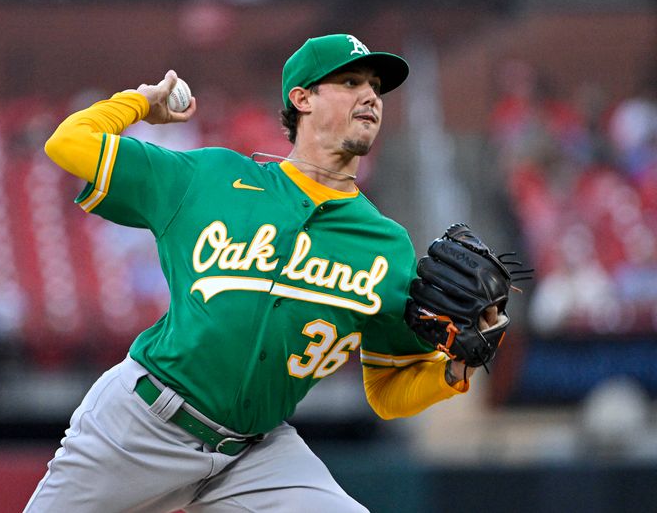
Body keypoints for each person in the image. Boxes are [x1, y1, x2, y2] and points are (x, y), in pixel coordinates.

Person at [26, 33, 490, 513]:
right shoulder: (208, 179)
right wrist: (139, 103)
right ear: (302, 98)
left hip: (256, 453)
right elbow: (69, 143)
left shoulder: (386, 245)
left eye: (376, 87)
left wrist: (454, 370)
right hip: (142, 425)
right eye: (350, 81)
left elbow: (389, 392)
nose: (371, 95)